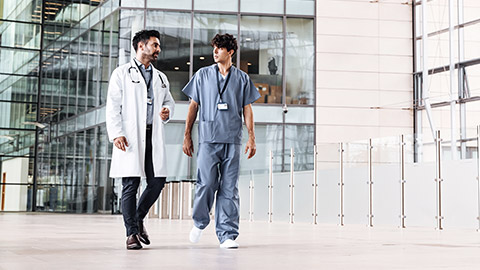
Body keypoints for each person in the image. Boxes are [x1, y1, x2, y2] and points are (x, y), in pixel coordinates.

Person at [182, 33, 260, 249]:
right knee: (206, 183)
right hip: (208, 138)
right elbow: (193, 106)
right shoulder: (202, 75)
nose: (214, 52)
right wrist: (187, 135)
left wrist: (251, 137)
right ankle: (199, 222)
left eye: (219, 48)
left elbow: (247, 108)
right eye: (214, 48)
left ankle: (227, 235)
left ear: (230, 52)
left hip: (232, 139)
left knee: (229, 188)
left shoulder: (242, 78)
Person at [106, 30, 175, 250]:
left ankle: (138, 218)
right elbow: (112, 106)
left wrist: (166, 112)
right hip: (130, 137)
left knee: (157, 181)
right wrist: (116, 133)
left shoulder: (161, 77)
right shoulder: (121, 73)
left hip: (152, 134)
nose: (158, 50)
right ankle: (131, 234)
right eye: (155, 45)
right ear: (141, 46)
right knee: (131, 184)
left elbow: (169, 102)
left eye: (158, 46)